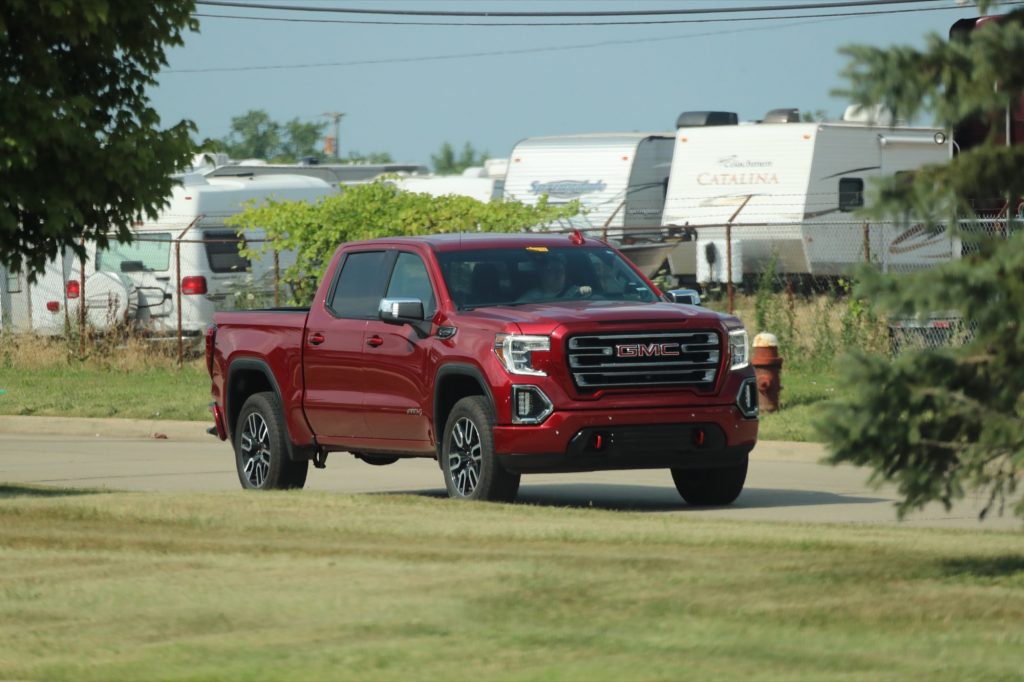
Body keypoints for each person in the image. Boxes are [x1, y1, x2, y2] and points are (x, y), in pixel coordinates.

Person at [517, 256, 587, 302]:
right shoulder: (530, 297)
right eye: (551, 271)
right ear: (542, 275)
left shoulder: (575, 292)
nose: (557, 274)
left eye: (561, 271)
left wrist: (586, 290)